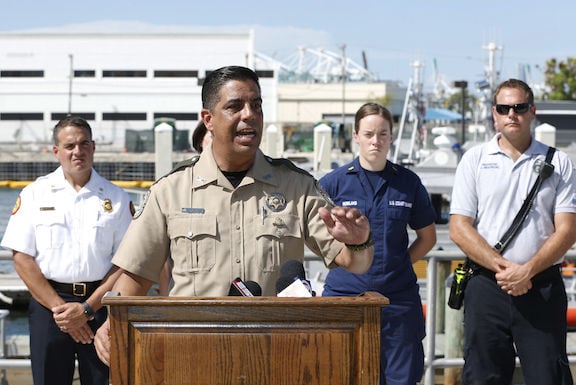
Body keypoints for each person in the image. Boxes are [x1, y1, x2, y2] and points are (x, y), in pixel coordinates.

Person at [94, 65, 374, 364]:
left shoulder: (297, 186)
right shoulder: (171, 190)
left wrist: (359, 241)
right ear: (208, 119)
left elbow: (355, 263)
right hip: (193, 355)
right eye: (234, 106)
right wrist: (113, 322)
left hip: (275, 355)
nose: (249, 114)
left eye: (256, 105)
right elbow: (136, 274)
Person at [449, 78, 576, 385]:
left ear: (532, 111)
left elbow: (568, 230)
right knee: (482, 376)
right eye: (503, 108)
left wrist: (528, 270)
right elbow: (458, 227)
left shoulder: (558, 162)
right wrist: (506, 270)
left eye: (519, 107)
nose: (511, 114)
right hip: (486, 287)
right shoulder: (474, 160)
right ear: (494, 113)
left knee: (549, 376)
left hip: (541, 287)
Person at [0, 116, 134, 385]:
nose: (78, 151)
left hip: (101, 306)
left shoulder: (117, 198)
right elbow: (22, 258)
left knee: (103, 380)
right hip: (49, 307)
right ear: (56, 151)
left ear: (93, 147)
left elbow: (125, 263)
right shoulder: (35, 194)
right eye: (70, 145)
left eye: (84, 143)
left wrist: (86, 310)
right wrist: (63, 312)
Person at [319, 102, 437, 385]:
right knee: (341, 375)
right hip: (345, 298)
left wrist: (398, 264)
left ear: (391, 137)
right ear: (356, 136)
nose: (376, 141)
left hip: (397, 301)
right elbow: (315, 238)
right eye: (369, 134)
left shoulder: (408, 183)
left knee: (401, 379)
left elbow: (428, 237)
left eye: (383, 134)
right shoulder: (333, 183)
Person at [157, 120, 212, 295]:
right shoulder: (174, 190)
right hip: (189, 313)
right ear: (200, 144)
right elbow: (160, 261)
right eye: (212, 136)